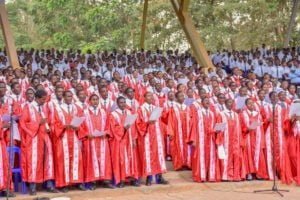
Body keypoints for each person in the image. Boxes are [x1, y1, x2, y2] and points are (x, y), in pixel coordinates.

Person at [19, 89, 58, 195]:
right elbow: (23, 123)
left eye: (45, 99)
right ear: (37, 98)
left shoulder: (43, 108)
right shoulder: (28, 108)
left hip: (45, 137)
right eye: (43, 99)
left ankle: (49, 185)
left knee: (48, 161)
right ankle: (32, 187)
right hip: (34, 139)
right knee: (34, 162)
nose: (44, 101)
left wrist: (47, 126)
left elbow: (45, 121)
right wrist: (37, 123)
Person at [52, 90, 87, 192]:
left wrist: (78, 128)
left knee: (77, 160)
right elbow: (54, 124)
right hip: (63, 138)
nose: (70, 98)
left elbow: (81, 122)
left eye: (71, 96)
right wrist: (64, 126)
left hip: (74, 138)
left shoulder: (76, 108)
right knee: (63, 160)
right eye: (67, 96)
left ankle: (77, 182)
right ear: (63, 97)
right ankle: (64, 184)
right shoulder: (57, 109)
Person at [136, 92, 168, 186]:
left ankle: (159, 177)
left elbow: (162, 121)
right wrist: (147, 122)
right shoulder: (141, 109)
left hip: (157, 135)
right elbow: (138, 123)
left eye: (152, 96)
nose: (151, 98)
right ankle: (149, 178)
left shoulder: (156, 108)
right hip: (147, 136)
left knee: (159, 155)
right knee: (148, 156)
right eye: (148, 96)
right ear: (144, 97)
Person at [82, 94, 114, 189]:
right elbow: (81, 126)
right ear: (89, 101)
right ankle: (93, 182)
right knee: (92, 160)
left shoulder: (104, 112)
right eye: (93, 100)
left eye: (96, 99)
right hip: (91, 140)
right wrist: (87, 134)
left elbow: (108, 124)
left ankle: (106, 180)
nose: (95, 101)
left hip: (102, 140)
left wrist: (106, 132)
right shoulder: (85, 112)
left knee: (105, 160)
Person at [109, 96, 140, 187]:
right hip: (120, 141)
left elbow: (133, 127)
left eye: (124, 102)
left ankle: (133, 179)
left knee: (131, 159)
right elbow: (113, 128)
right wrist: (123, 128)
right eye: (121, 102)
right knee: (121, 160)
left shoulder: (130, 113)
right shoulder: (113, 114)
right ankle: (122, 180)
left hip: (129, 140)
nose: (123, 104)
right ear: (117, 104)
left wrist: (134, 139)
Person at [189, 97, 220, 182]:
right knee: (200, 157)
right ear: (201, 103)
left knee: (210, 157)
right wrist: (194, 139)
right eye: (205, 101)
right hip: (200, 139)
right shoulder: (197, 113)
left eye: (208, 101)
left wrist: (217, 131)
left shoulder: (212, 114)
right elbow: (193, 126)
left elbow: (216, 125)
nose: (207, 102)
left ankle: (210, 176)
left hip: (211, 139)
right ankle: (200, 176)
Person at [239, 98, 268, 180]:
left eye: (252, 103)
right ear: (246, 105)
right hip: (247, 137)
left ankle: (259, 174)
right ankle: (249, 174)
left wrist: (262, 140)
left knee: (258, 154)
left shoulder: (258, 114)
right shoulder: (242, 114)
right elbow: (240, 126)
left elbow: (261, 127)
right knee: (248, 155)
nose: (251, 105)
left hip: (257, 138)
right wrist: (247, 129)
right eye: (249, 103)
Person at [217, 98, 244, 181]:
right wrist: (219, 140)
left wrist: (240, 140)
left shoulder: (236, 115)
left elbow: (239, 129)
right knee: (226, 157)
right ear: (225, 104)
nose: (231, 104)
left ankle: (236, 175)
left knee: (236, 156)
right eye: (229, 102)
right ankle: (226, 176)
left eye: (232, 102)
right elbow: (218, 128)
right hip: (225, 139)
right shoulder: (221, 114)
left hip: (235, 139)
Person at [167, 91, 192, 170]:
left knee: (187, 147)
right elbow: (170, 121)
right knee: (177, 147)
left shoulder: (187, 108)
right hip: (177, 132)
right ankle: (179, 165)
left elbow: (191, 120)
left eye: (183, 96)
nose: (182, 97)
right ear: (176, 98)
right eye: (180, 96)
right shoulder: (173, 109)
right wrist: (170, 133)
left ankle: (188, 164)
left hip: (187, 132)